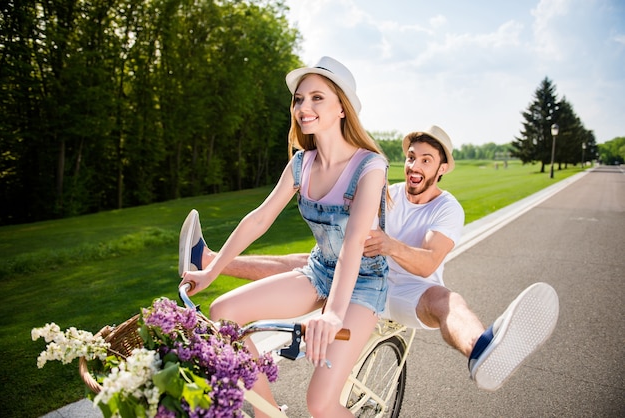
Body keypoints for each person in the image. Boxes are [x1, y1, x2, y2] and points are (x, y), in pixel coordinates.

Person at [180, 125, 560, 394]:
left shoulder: (447, 209)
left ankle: (482, 349)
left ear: (442, 168)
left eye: (426, 160)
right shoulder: (388, 189)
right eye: (411, 158)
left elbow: (428, 264)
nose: (415, 166)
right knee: (309, 259)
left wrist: (389, 245)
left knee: (446, 300)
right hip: (362, 275)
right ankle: (209, 261)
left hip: (409, 291)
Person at [180, 56, 390, 417]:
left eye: (317, 98)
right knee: (223, 312)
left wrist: (333, 316)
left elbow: (355, 242)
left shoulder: (370, 166)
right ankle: (268, 413)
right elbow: (259, 219)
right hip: (319, 271)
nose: (303, 107)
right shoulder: (301, 164)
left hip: (363, 284)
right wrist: (211, 272)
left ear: (342, 107)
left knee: (321, 405)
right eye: (299, 99)